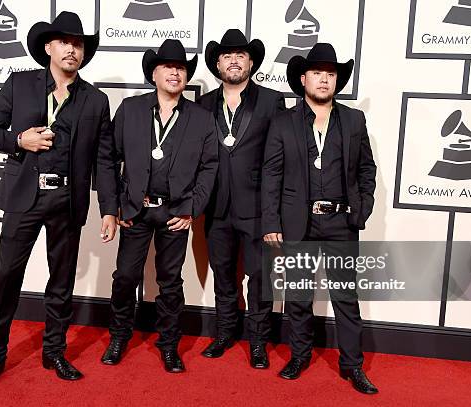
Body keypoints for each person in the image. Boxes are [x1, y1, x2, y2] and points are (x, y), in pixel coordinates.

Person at [0, 12, 118, 391]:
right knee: (6, 279)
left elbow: (104, 159)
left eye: (78, 43)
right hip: (24, 197)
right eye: (64, 41)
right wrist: (20, 140)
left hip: (68, 200)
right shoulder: (19, 85)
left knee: (61, 281)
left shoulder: (96, 100)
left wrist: (111, 208)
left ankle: (54, 352)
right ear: (48, 47)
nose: (72, 49)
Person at [261, 43, 378, 394]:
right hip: (300, 222)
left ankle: (352, 366)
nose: (324, 79)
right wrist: (271, 222)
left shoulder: (354, 119)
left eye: (330, 74)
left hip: (342, 222)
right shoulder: (283, 123)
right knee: (298, 295)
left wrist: (363, 205)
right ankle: (299, 355)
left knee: (346, 297)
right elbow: (271, 175)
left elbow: (367, 168)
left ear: (337, 80)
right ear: (303, 78)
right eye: (317, 73)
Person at [100, 39, 218, 373]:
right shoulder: (130, 110)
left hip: (176, 212)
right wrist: (116, 204)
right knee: (125, 277)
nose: (175, 72)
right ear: (154, 73)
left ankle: (168, 346)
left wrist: (192, 208)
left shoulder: (201, 118)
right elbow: (108, 159)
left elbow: (210, 166)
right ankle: (119, 337)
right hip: (135, 211)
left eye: (180, 67)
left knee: (170, 282)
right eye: (168, 66)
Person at [197, 29, 285, 368]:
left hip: (258, 208)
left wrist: (273, 211)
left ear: (251, 62)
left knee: (259, 278)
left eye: (241, 54)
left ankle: (259, 342)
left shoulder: (271, 101)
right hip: (216, 207)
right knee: (223, 275)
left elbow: (279, 159)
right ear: (218, 64)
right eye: (227, 55)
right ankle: (224, 333)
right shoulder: (203, 105)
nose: (234, 60)